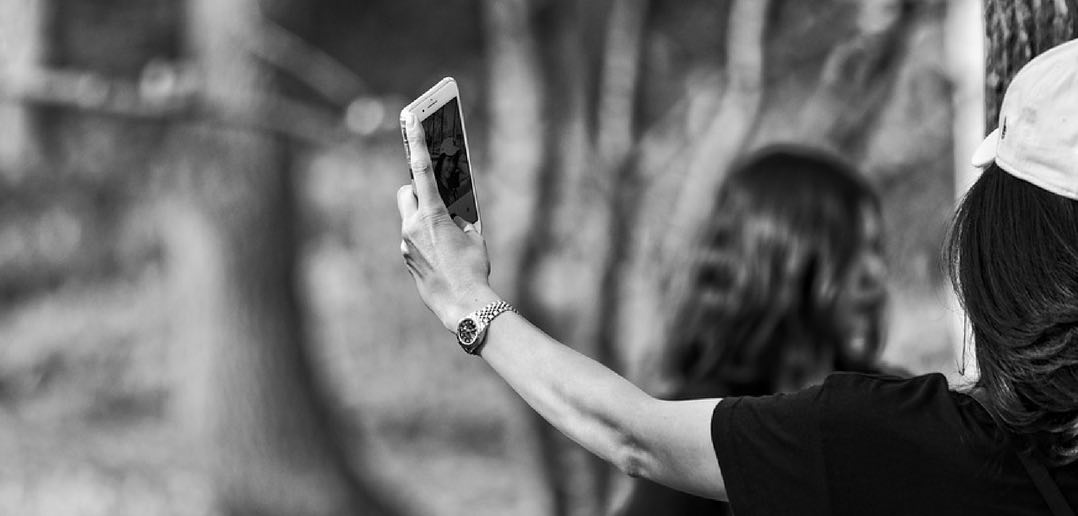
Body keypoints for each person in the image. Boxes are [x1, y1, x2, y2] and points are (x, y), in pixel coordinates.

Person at [395, 38, 1078, 515]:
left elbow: (637, 437)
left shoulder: (880, 437)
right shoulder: (876, 423)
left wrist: (467, 302)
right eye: (856, 256)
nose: (876, 277)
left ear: (1009, 254)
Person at [611, 146, 894, 516]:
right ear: (784, 256)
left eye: (878, 250)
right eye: (855, 250)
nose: (876, 274)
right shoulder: (704, 418)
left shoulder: (892, 401)